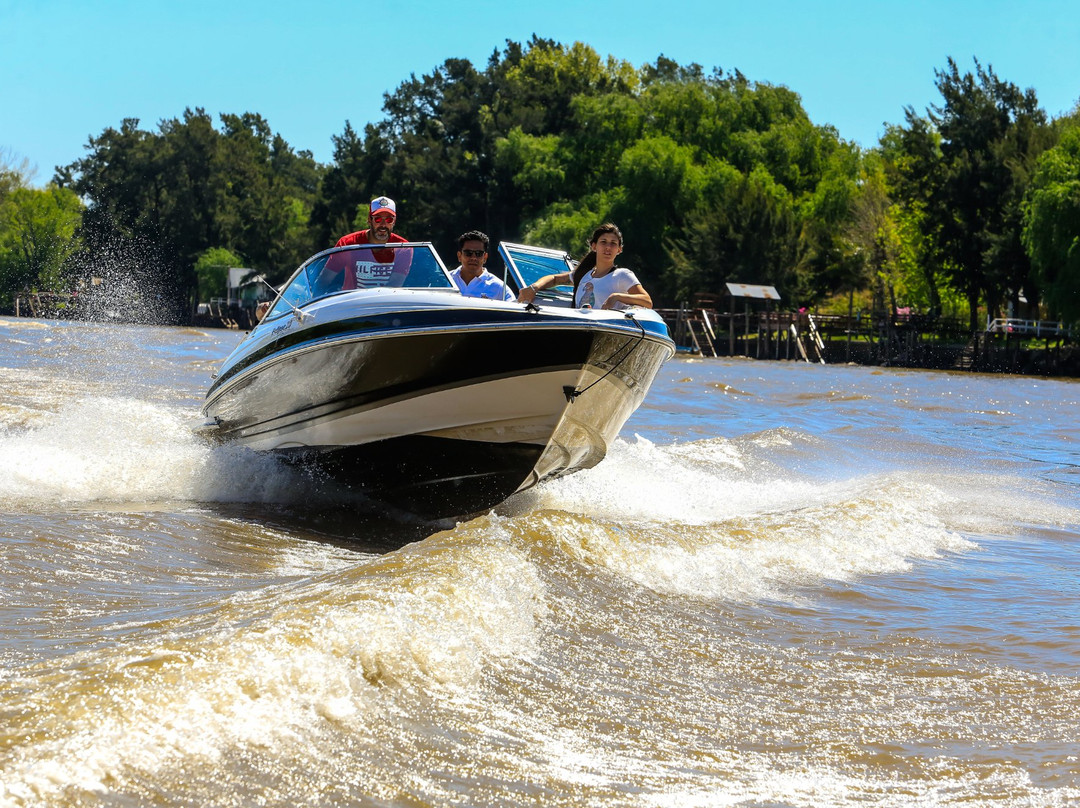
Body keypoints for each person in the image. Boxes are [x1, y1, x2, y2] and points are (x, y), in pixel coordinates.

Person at [516, 223, 652, 310]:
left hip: (606, 331)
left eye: (613, 244)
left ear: (619, 250)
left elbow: (647, 301)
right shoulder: (583, 274)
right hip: (580, 328)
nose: (608, 247)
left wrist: (616, 297)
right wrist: (534, 288)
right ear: (594, 246)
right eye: (603, 242)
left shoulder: (622, 275)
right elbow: (554, 279)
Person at [449, 230, 514, 301]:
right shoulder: (446, 281)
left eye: (478, 253)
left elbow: (515, 308)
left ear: (485, 257)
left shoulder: (499, 288)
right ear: (459, 256)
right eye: (468, 253)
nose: (473, 258)